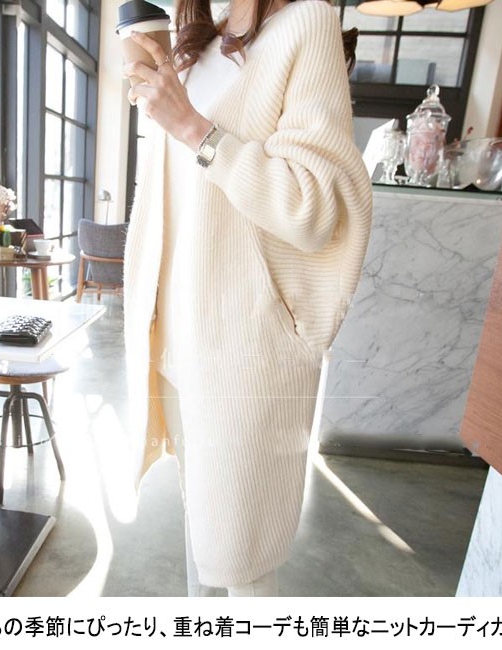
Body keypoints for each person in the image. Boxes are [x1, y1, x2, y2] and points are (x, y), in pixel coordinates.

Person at [122, 0, 372, 596]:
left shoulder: (306, 25)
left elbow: (313, 207)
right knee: (202, 537)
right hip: (176, 342)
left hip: (244, 348)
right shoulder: (199, 47)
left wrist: (193, 127)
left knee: (243, 563)